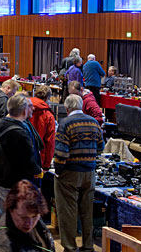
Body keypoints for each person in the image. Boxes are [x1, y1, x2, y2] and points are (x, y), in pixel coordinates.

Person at [54, 94, 104, 252]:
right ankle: (88, 246)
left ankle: (70, 247)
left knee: (67, 211)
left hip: (70, 173)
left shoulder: (65, 123)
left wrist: (58, 171)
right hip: (89, 172)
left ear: (67, 108)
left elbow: (61, 153)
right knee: (87, 212)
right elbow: (101, 147)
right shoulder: (94, 122)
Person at [0, 94, 42, 220]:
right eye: (29, 107)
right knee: (16, 219)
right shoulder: (20, 133)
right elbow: (28, 161)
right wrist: (38, 171)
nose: (32, 109)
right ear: (24, 110)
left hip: (0, 181)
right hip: (17, 184)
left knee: (1, 216)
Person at [0, 180, 55, 252]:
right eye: (23, 217)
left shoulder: (30, 213)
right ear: (10, 210)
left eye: (34, 217)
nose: (29, 224)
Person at [29, 85, 56, 172]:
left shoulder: (24, 107)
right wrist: (47, 165)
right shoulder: (48, 115)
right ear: (47, 97)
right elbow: (50, 141)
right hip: (40, 158)